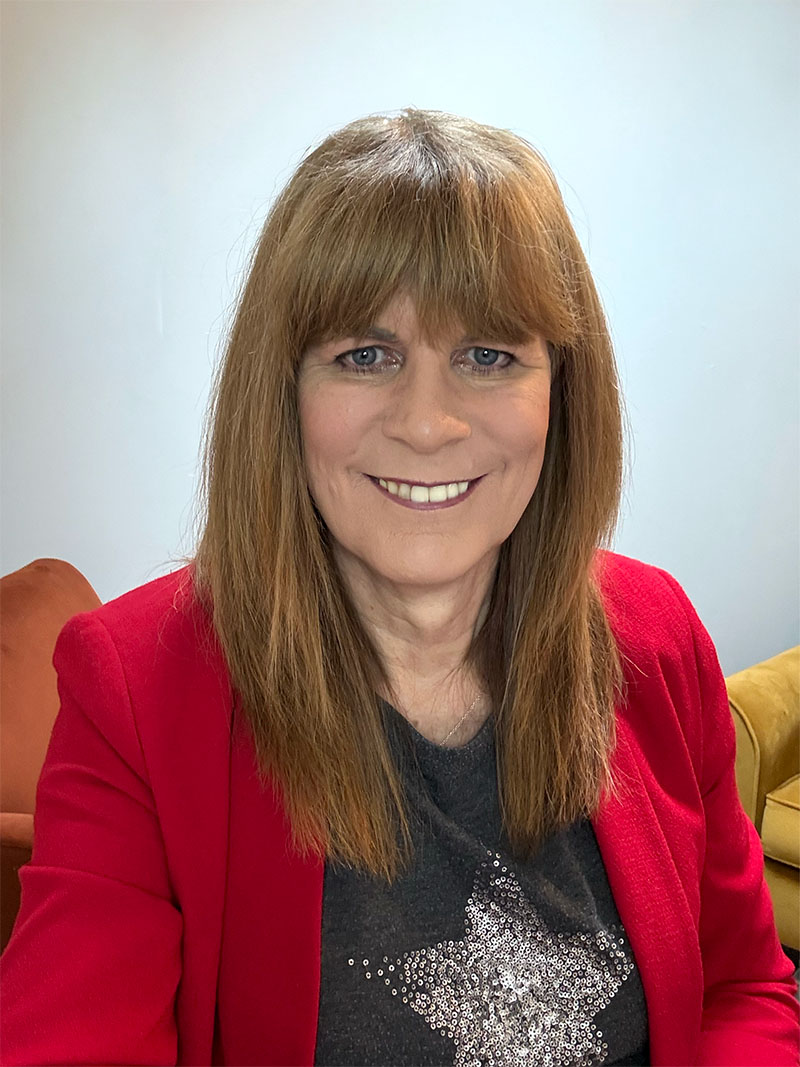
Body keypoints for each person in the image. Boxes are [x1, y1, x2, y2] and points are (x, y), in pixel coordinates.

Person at [0, 108, 797, 1067]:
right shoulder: (135, 689)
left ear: (562, 389)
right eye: (365, 356)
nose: (427, 423)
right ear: (284, 391)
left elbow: (739, 987)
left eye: (488, 355)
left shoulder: (658, 635)